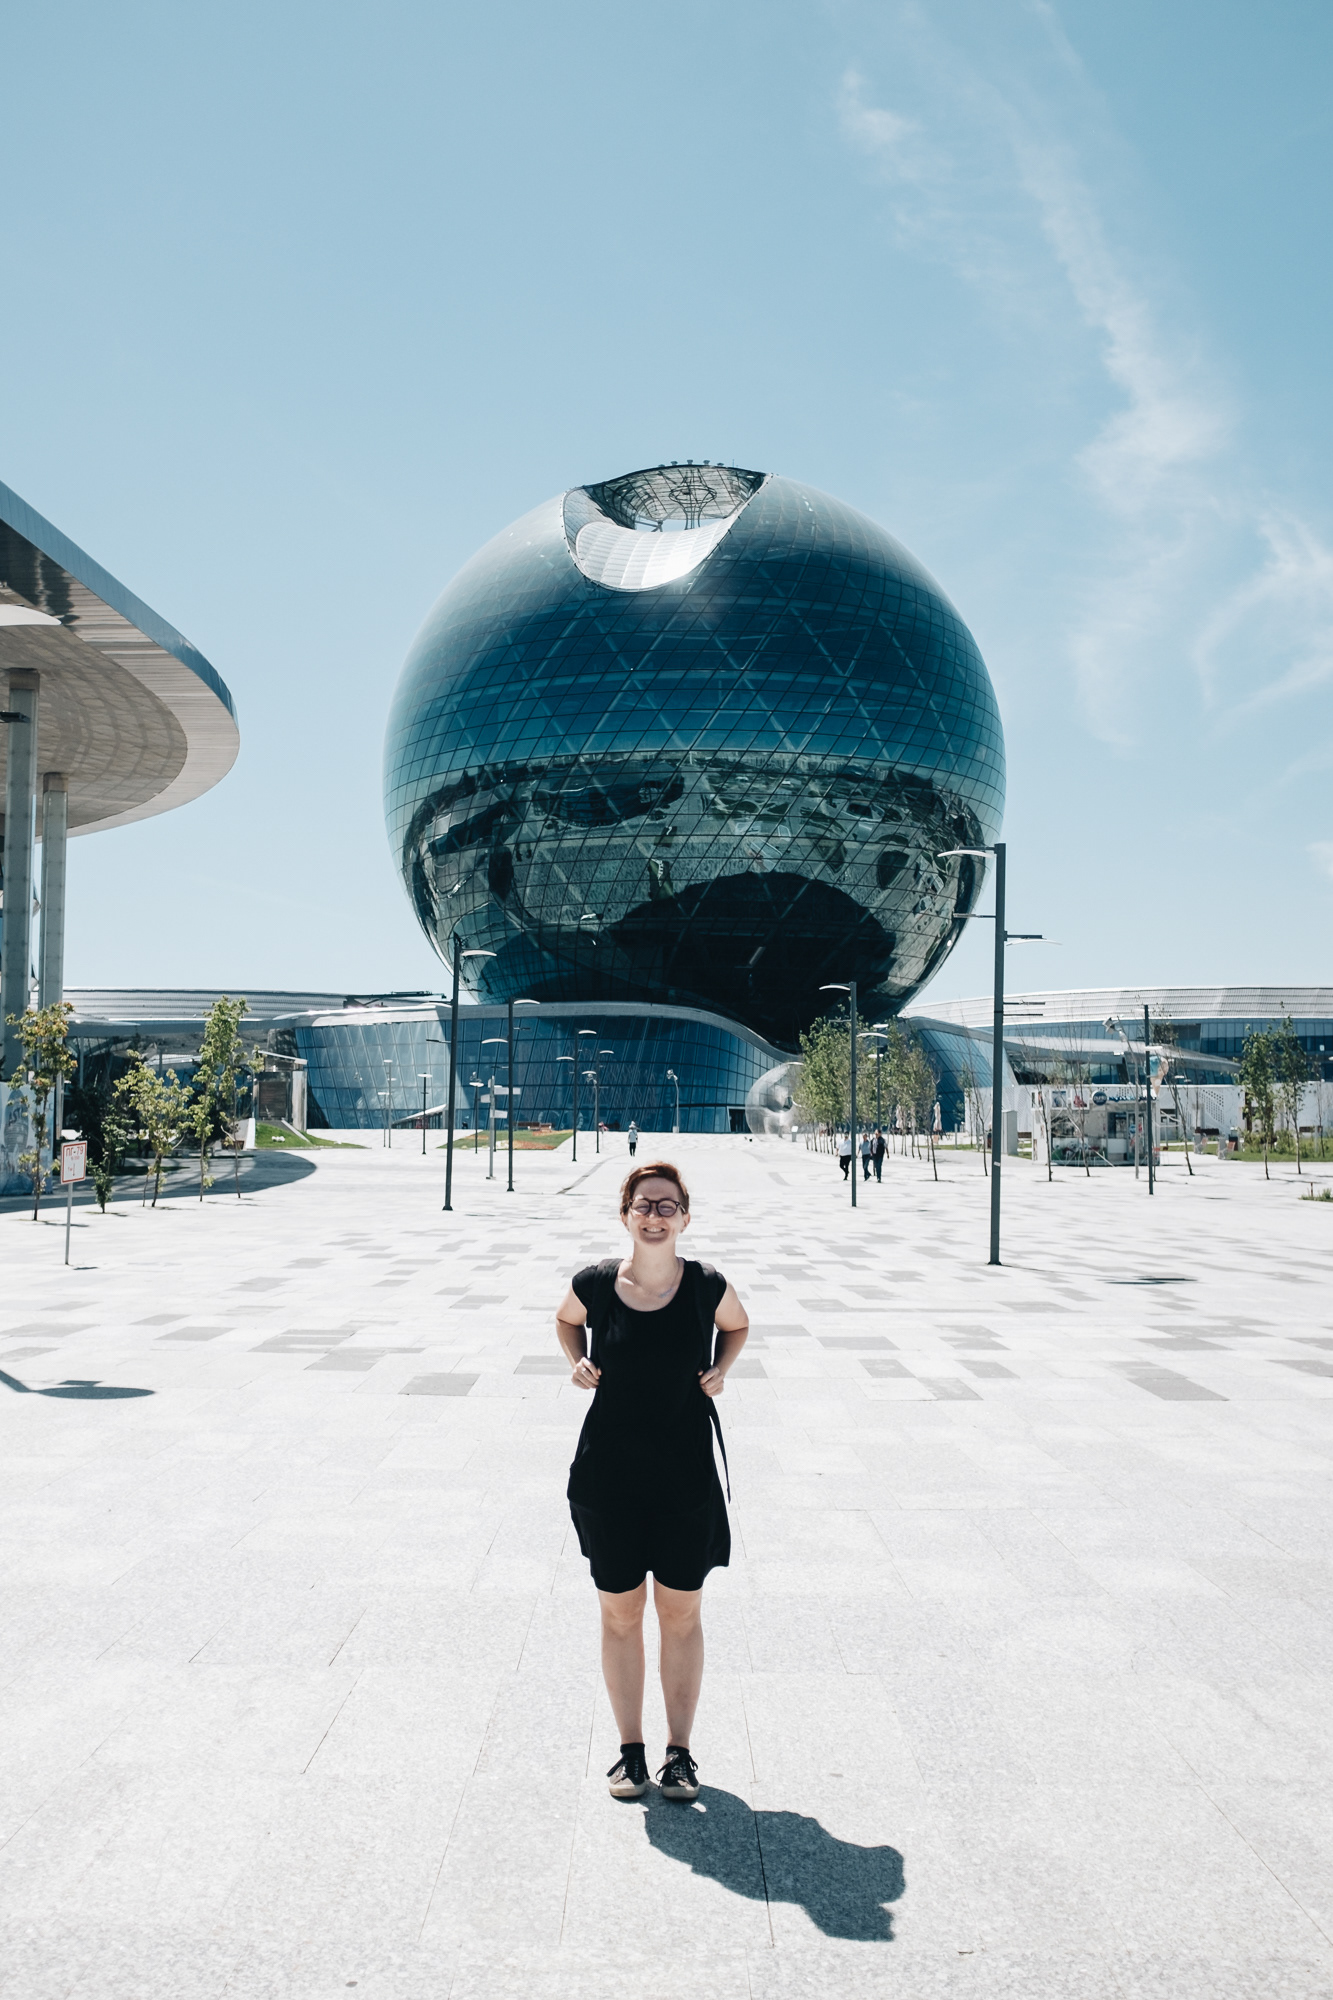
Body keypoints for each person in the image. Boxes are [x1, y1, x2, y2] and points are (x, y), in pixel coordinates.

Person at [555, 1162, 749, 1803]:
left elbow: (738, 1325)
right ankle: (630, 1753)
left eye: (667, 1206)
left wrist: (721, 1369)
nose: (655, 1216)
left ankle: (680, 1754)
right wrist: (578, 1359)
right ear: (625, 1215)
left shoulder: (706, 1286)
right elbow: (565, 1320)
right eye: (644, 1205)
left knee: (681, 1613)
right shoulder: (596, 1284)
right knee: (620, 1614)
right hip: (608, 1478)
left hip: (684, 1478)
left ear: (685, 1217)